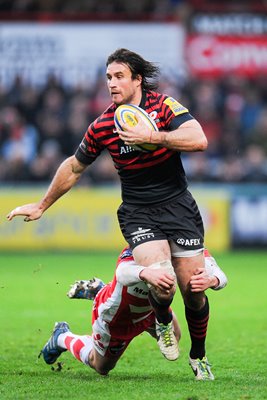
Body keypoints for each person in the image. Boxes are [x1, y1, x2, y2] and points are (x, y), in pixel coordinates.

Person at [7, 48, 212, 379]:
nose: (112, 84)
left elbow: (198, 139)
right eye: (108, 78)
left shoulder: (163, 107)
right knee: (162, 282)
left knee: (193, 290)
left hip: (178, 206)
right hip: (138, 212)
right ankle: (159, 321)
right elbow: (74, 167)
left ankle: (198, 356)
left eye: (119, 77)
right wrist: (41, 204)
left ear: (137, 79)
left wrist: (153, 137)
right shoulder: (104, 124)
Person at [40, 247, 227, 379]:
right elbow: (122, 271)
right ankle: (62, 336)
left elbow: (217, 271)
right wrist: (145, 273)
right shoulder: (144, 245)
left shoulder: (183, 243)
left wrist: (213, 280)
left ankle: (101, 290)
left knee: (175, 337)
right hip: (119, 316)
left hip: (151, 308)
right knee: (101, 367)